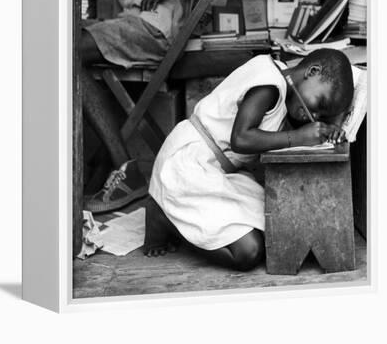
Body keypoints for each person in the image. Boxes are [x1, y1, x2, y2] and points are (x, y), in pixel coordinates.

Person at [144, 49, 354, 271]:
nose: (314, 115)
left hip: (217, 172)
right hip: (187, 166)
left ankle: (178, 215)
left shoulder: (284, 88)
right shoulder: (269, 85)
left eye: (322, 116)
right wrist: (299, 137)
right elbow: (241, 139)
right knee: (248, 253)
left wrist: (328, 131)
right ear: (312, 71)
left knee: (279, 228)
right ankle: (165, 218)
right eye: (319, 103)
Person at [80, 0, 219, 213]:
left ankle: (124, 166)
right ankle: (121, 165)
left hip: (154, 33)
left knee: (65, 51)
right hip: (125, 32)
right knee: (65, 51)